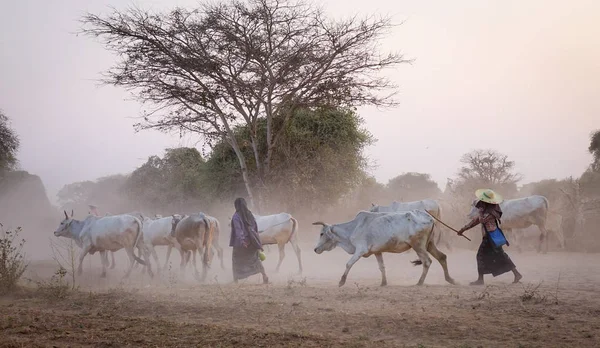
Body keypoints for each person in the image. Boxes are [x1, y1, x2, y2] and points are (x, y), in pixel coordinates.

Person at [457, 189, 523, 285]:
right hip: (492, 237)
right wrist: (463, 229)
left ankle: (480, 280)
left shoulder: (490, 212)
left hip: (490, 237)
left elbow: (482, 220)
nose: (481, 202)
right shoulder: (489, 209)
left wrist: (479, 212)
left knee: (480, 256)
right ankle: (517, 274)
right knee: (501, 256)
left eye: (482, 200)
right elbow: (476, 221)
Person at [229, 197, 269, 284]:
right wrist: (256, 241)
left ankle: (235, 280)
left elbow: (238, 230)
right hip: (252, 242)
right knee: (255, 259)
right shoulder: (249, 214)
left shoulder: (236, 216)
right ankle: (264, 276)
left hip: (241, 244)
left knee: (236, 261)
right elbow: (255, 228)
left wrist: (242, 241)